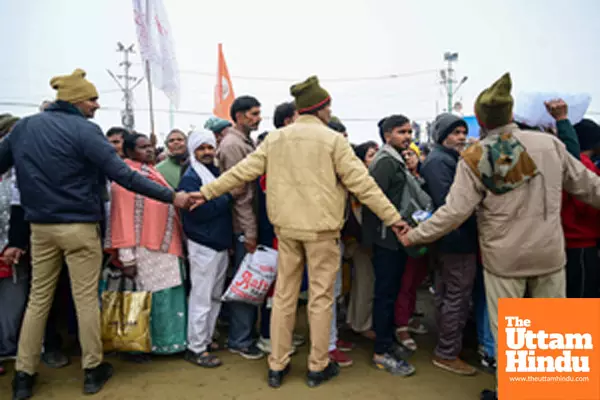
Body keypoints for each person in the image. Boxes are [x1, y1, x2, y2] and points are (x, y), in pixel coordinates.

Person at [188, 76, 409, 389]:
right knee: (320, 299)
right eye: (329, 107)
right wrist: (394, 218)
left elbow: (241, 172)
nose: (330, 112)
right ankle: (318, 367)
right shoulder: (334, 141)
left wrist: (206, 191)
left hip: (286, 231)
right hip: (321, 232)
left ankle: (277, 365)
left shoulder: (276, 139)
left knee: (283, 297)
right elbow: (363, 185)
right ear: (321, 108)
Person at [399, 73, 600, 400]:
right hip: (549, 256)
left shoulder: (476, 156)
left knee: (513, 336)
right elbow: (590, 188)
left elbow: (453, 213)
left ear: (479, 120)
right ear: (511, 115)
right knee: (553, 334)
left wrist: (416, 236)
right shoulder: (549, 144)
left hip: (504, 261)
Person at [0, 69, 191, 400]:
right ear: (75, 100)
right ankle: (92, 370)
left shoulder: (25, 128)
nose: (97, 105)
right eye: (92, 99)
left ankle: (24, 375)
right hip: (78, 227)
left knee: (38, 299)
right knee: (85, 298)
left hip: (39, 228)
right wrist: (172, 196)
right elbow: (123, 176)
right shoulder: (85, 131)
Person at [105, 133, 188, 358]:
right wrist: (127, 259)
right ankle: (142, 345)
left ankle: (170, 344)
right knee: (145, 298)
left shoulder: (152, 172)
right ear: (129, 151)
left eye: (151, 146)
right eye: (142, 147)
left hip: (165, 248)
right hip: (142, 251)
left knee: (169, 294)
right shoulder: (124, 179)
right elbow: (121, 220)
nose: (149, 150)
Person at [419, 113, 478, 376]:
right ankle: (447, 352)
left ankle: (448, 344)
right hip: (455, 240)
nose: (462, 138)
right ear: (442, 136)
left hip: (450, 238)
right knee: (456, 296)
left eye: (463, 133)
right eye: (455, 133)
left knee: (447, 294)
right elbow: (450, 205)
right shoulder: (440, 162)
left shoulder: (448, 159)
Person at [362, 115, 417, 377]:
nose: (407, 136)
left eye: (409, 131)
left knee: (391, 292)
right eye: (400, 132)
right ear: (387, 135)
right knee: (384, 294)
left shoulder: (396, 158)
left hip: (395, 238)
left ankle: (386, 342)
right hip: (387, 239)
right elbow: (373, 201)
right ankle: (381, 351)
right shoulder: (385, 162)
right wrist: (378, 237)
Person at [178, 130, 233, 368]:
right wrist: (227, 197)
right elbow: (199, 212)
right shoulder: (191, 178)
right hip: (203, 244)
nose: (207, 152)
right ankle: (195, 347)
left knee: (214, 297)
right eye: (201, 148)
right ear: (193, 150)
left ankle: (206, 339)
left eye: (210, 147)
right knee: (201, 298)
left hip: (218, 243)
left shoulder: (214, 173)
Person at [218, 95, 264, 360]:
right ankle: (240, 339)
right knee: (246, 283)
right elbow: (240, 194)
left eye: (259, 114)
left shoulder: (246, 142)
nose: (257, 119)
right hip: (243, 225)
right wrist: (250, 231)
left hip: (249, 223)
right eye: (253, 114)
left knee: (253, 281)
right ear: (238, 116)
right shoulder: (233, 145)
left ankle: (245, 334)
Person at [392, 142, 429, 353]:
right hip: (407, 236)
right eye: (404, 155)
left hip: (424, 236)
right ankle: (401, 325)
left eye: (412, 154)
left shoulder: (423, 180)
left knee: (416, 279)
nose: (408, 158)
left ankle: (410, 316)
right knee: (405, 282)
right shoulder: (402, 181)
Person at [562, 117, 600, 298]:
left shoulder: (562, 161)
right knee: (583, 301)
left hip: (561, 243)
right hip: (582, 242)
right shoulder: (585, 167)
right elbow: (587, 205)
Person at [344, 141, 379, 340]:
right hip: (357, 241)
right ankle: (360, 324)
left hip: (360, 240)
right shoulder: (357, 185)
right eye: (371, 155)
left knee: (363, 283)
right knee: (364, 282)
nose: (375, 159)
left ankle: (356, 320)